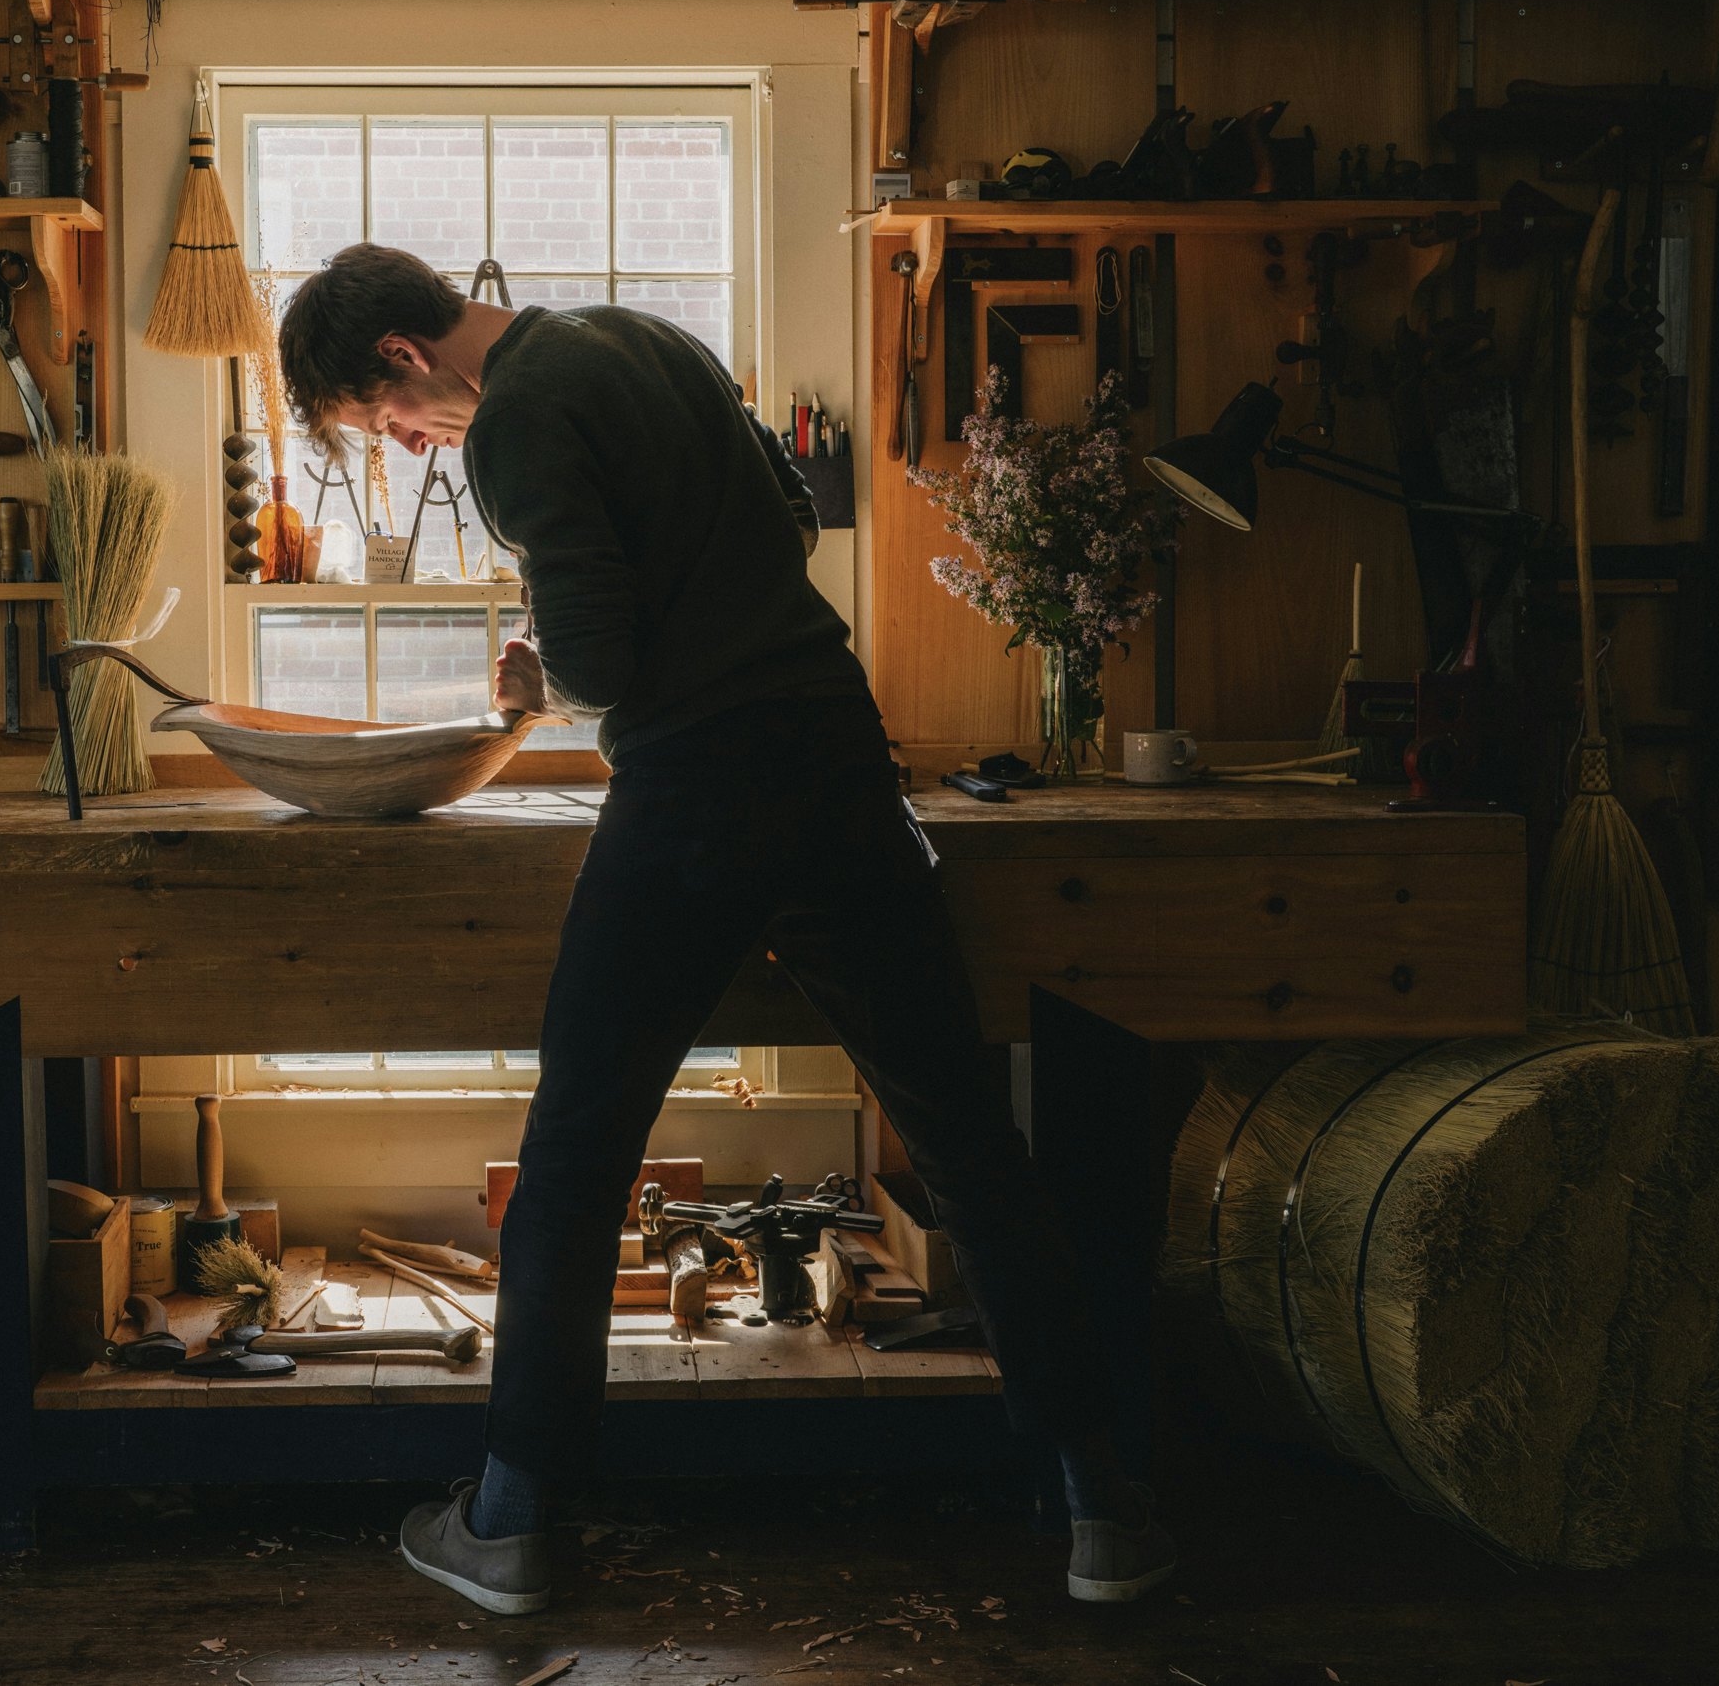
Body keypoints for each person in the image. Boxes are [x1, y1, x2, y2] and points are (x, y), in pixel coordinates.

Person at [275, 244, 1175, 1615]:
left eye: (380, 422)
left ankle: (508, 1521)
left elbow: (605, 666)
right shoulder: (647, 335)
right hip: (835, 755)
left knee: (577, 1148)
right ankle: (1103, 1506)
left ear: (404, 356)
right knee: (966, 1135)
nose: (401, 447)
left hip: (699, 787)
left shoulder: (513, 419)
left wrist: (545, 668)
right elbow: (784, 521)